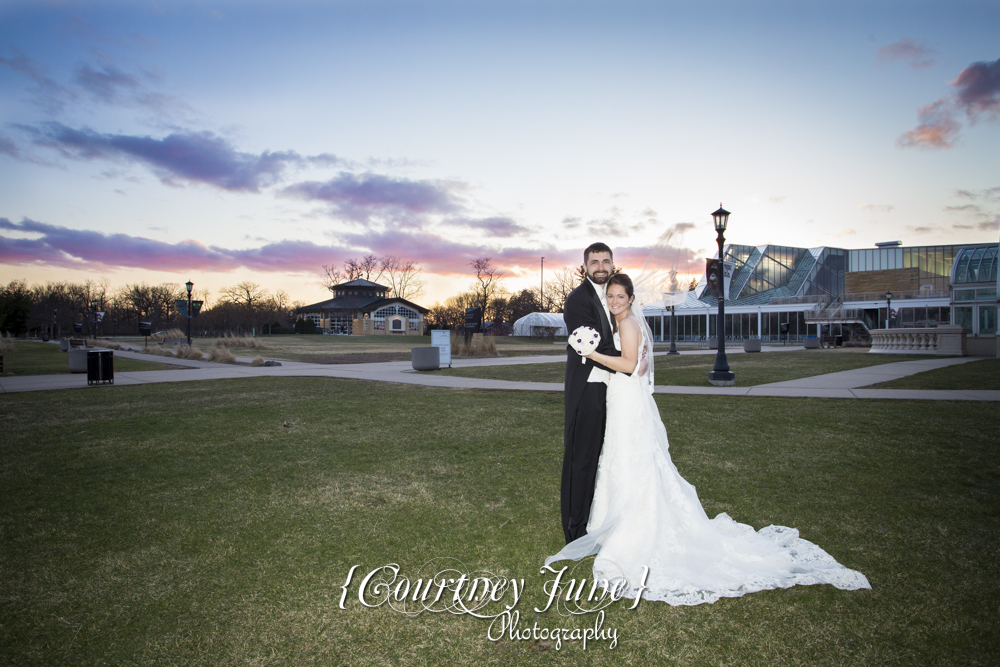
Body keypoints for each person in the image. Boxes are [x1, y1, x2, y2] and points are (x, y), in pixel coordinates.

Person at [548, 273, 871, 605]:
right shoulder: (624, 324)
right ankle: (617, 523)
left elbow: (630, 366)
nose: (615, 302)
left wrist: (590, 353)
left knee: (631, 462)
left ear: (631, 299)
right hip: (623, 401)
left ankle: (634, 531)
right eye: (611, 297)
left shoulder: (628, 323)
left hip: (628, 405)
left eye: (620, 297)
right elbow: (640, 366)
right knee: (624, 460)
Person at [561, 242, 622, 544]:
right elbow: (594, 346)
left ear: (613, 264)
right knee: (582, 459)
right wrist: (629, 362)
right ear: (585, 266)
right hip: (589, 388)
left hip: (615, 389)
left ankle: (605, 516)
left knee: (609, 456)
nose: (600, 266)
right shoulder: (578, 300)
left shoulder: (616, 296)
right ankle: (575, 529)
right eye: (594, 261)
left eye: (605, 261)